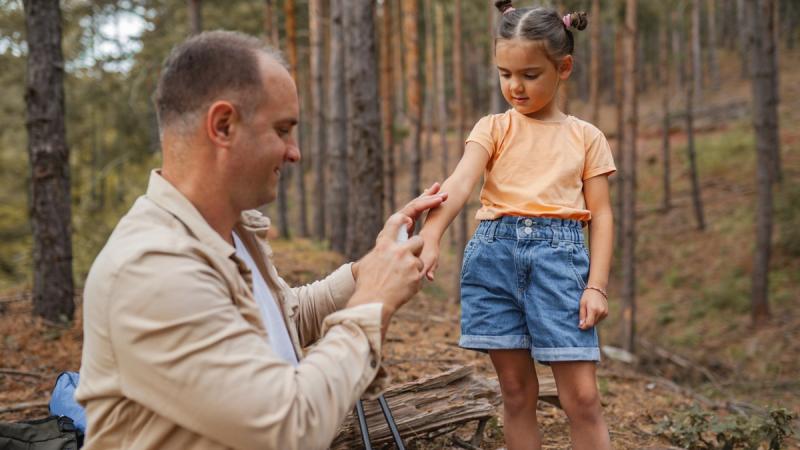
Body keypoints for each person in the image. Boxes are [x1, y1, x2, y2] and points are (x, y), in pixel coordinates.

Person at [75, 30, 446, 450]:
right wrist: (373, 301)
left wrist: (370, 268)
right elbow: (288, 426)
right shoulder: (152, 268)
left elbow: (288, 319)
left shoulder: (229, 234)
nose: (295, 152)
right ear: (223, 126)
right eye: (283, 130)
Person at [419, 2, 615, 449]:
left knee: (582, 397)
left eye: (529, 74)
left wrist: (596, 285)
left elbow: (601, 215)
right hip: (494, 261)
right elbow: (461, 182)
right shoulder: (493, 128)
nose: (515, 87)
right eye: (505, 74)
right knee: (516, 392)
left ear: (563, 67)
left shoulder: (586, 137)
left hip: (560, 268)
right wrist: (431, 234)